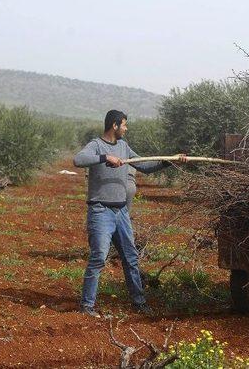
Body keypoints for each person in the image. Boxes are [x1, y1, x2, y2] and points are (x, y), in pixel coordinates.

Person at [73, 110, 186, 317]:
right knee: (98, 257)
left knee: (131, 258)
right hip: (101, 211)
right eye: (124, 125)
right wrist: (105, 157)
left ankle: (139, 302)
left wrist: (170, 161)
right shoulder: (96, 144)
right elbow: (78, 160)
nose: (126, 128)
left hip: (121, 211)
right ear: (114, 126)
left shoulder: (124, 147)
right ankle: (86, 306)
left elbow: (145, 166)